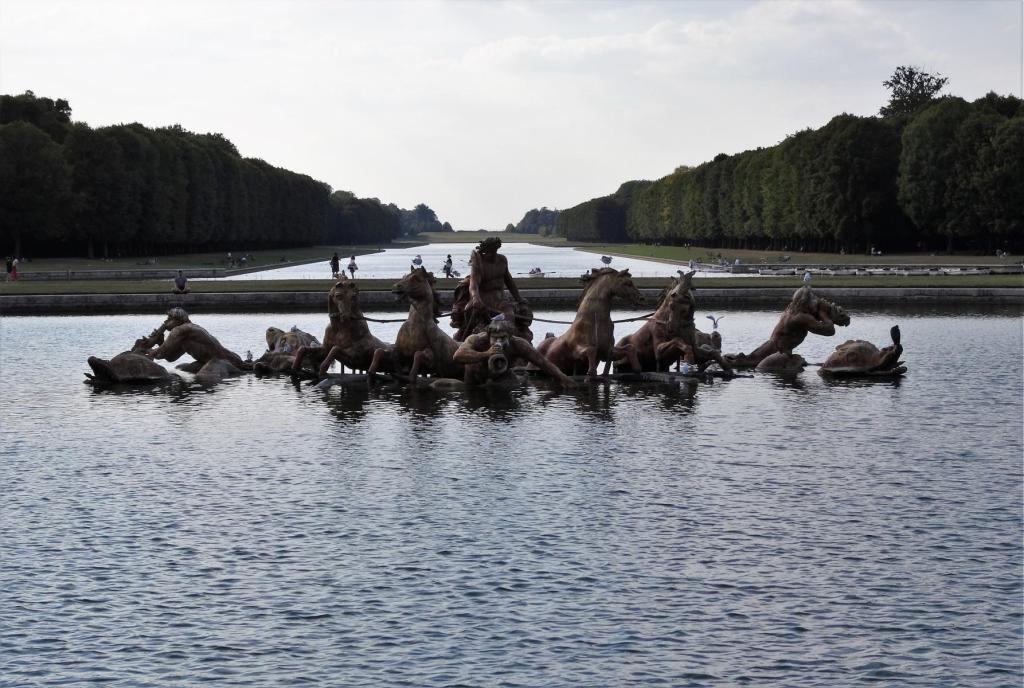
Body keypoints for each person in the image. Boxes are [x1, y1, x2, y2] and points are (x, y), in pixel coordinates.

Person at [453, 316, 574, 388]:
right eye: (495, 338)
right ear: (488, 336)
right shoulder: (477, 339)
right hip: (475, 380)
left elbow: (543, 362)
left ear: (510, 337)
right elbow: (458, 356)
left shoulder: (518, 344)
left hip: (501, 378)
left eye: (502, 338)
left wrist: (562, 378)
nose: (498, 341)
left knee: (514, 389)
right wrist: (486, 354)